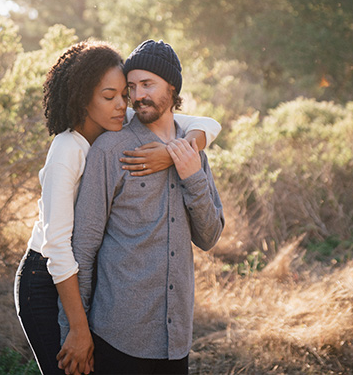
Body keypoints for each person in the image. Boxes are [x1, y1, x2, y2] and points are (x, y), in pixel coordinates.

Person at [15, 40, 221, 375]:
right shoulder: (74, 151)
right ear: (84, 99)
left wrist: (177, 153)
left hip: (115, 295)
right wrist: (78, 330)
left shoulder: (132, 120)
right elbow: (67, 249)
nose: (127, 101)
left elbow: (208, 124)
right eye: (115, 95)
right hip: (47, 270)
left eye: (125, 94)